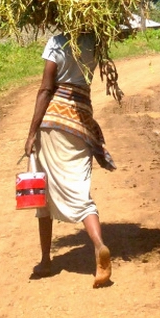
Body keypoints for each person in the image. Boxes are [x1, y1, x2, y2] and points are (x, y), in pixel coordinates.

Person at [24, 31, 114, 287]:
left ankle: (45, 260)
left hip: (54, 123)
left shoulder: (58, 42)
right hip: (82, 120)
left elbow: (45, 89)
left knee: (44, 193)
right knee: (79, 190)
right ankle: (98, 246)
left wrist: (31, 134)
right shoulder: (95, 41)